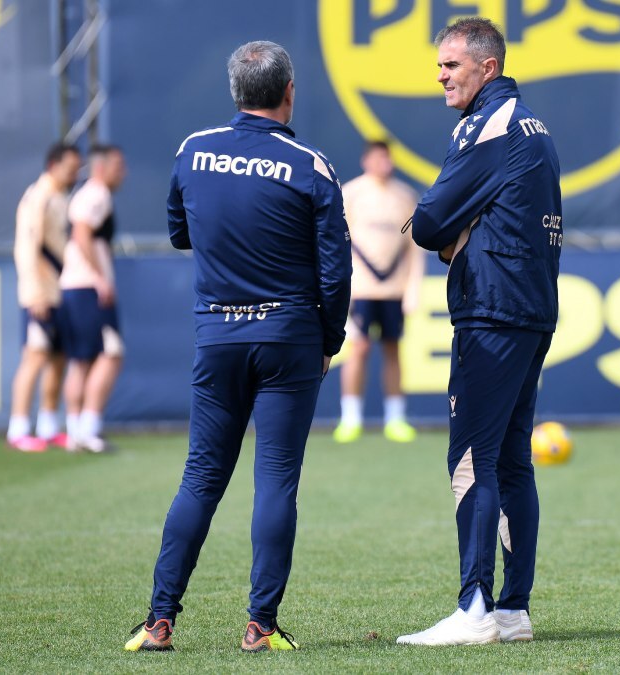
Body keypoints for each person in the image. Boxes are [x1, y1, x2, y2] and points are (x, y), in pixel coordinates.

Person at [125, 40, 351, 653]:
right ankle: (260, 625)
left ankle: (159, 622)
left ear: (235, 91)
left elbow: (180, 232)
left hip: (218, 335)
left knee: (200, 477)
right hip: (289, 338)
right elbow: (336, 271)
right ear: (289, 92)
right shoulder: (311, 165)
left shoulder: (193, 151)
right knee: (275, 481)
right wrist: (330, 339)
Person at [396, 17, 561, 646]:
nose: (440, 75)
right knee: (513, 460)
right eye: (439, 65)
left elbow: (429, 222)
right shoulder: (533, 124)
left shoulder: (486, 123)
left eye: (451, 65)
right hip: (530, 306)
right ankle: (513, 611)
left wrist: (451, 233)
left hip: (491, 309)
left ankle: (474, 609)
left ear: (487, 67)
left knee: (471, 458)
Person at [333, 140, 424, 444]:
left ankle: (396, 419)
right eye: (378, 158)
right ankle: (350, 418)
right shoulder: (351, 194)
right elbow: (338, 241)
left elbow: (413, 246)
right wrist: (341, 287)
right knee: (358, 348)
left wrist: (412, 289)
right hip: (360, 289)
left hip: (394, 291)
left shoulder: (405, 196)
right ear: (366, 161)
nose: (384, 163)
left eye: (387, 158)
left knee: (392, 349)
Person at [6, 143, 80, 452]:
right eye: (70, 168)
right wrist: (35, 292)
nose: (74, 174)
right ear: (53, 166)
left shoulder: (61, 197)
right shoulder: (39, 196)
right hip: (41, 292)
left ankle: (48, 426)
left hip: (60, 291)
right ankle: (18, 429)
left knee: (58, 358)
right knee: (34, 356)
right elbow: (27, 247)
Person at [60, 144, 127, 452]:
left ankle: (75, 432)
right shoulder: (97, 194)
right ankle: (88, 429)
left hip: (73, 286)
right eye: (117, 166)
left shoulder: (86, 194)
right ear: (101, 168)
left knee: (81, 360)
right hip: (88, 288)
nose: (122, 173)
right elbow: (81, 233)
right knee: (111, 353)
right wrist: (100, 278)